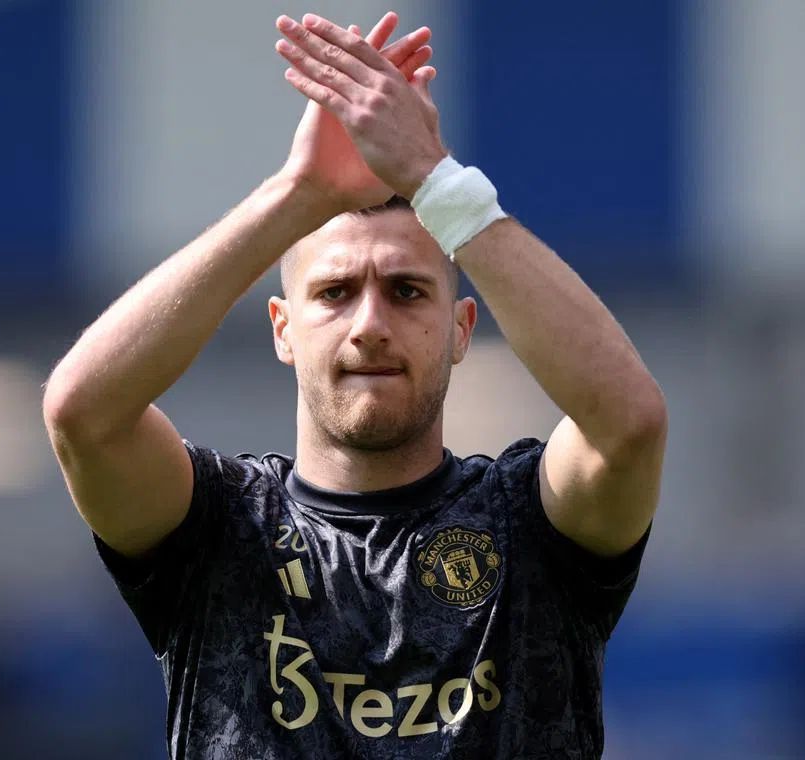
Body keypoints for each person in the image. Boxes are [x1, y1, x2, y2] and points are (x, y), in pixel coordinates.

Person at [43, 11, 667, 759]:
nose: (369, 324)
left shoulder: (533, 526)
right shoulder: (217, 535)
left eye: (407, 292)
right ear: (282, 328)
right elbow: (83, 414)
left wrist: (444, 189)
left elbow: (629, 424)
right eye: (335, 292)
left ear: (463, 327)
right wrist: (297, 195)